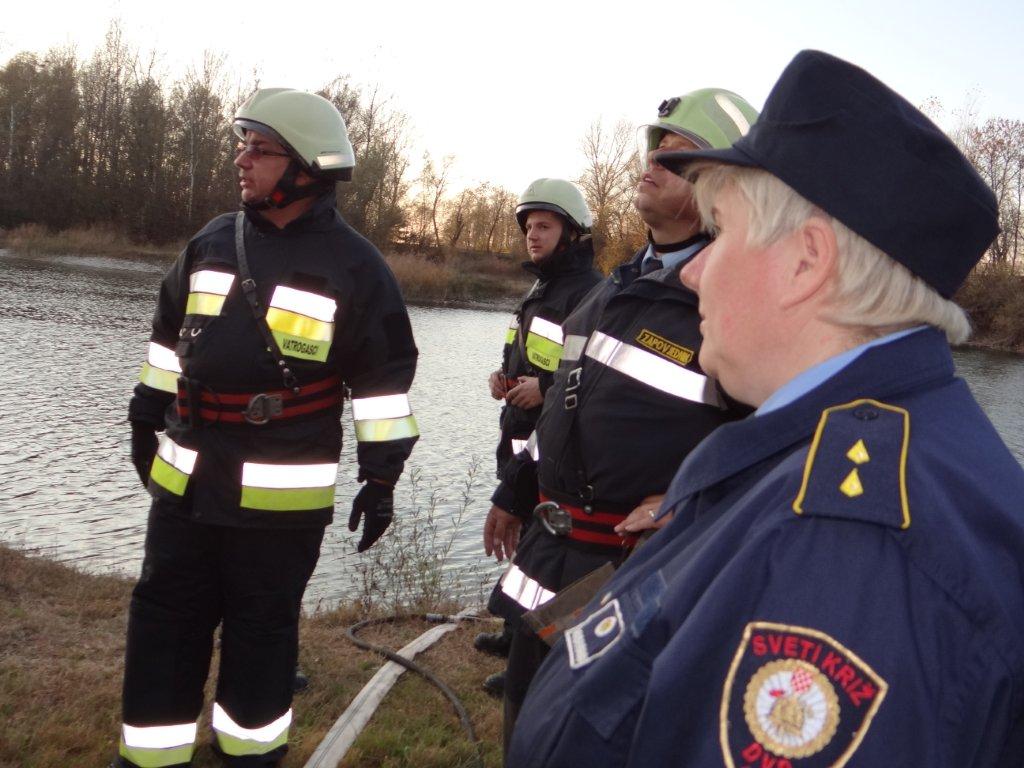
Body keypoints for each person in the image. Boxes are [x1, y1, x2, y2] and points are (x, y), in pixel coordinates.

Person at [507, 50, 1024, 767]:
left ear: (806, 261)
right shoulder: (839, 451)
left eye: (723, 231)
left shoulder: (849, 551)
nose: (693, 267)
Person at [116, 88, 419, 768]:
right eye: (241, 145)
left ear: (309, 166)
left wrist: (381, 477)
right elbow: (170, 337)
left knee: (260, 636)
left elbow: (382, 385)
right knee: (163, 620)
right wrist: (144, 410)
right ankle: (148, 759)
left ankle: (247, 759)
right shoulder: (213, 240)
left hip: (279, 497)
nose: (241, 160)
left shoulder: (356, 267)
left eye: (260, 149)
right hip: (187, 478)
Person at [482, 88, 759, 748]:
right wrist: (513, 491)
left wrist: (691, 494)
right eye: (653, 148)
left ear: (722, 187)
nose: (652, 162)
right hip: (552, 556)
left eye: (678, 155)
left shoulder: (731, 308)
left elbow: (776, 443)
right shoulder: (607, 293)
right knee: (527, 722)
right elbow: (566, 414)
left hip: (635, 575)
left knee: (601, 736)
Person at [476, 179, 602, 695]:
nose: (533, 235)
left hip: (550, 445)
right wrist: (502, 379)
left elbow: (592, 376)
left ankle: (526, 661)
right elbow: (525, 353)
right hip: (517, 434)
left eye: (544, 226)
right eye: (529, 227)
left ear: (571, 233)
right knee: (522, 542)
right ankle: (513, 634)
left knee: (542, 548)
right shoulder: (540, 289)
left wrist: (544, 387)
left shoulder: (590, 292)